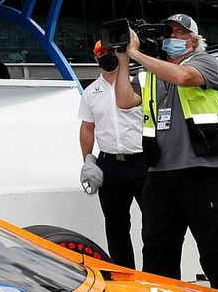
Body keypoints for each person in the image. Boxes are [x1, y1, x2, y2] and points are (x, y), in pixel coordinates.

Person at [113, 14, 218, 292]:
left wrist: (137, 52)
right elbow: (124, 100)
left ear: (194, 41)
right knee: (157, 249)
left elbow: (184, 77)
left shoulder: (204, 63)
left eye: (179, 33)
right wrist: (124, 59)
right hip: (160, 173)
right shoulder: (151, 73)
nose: (171, 37)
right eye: (167, 32)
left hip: (203, 170)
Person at [77, 41, 146, 269]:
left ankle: (156, 275)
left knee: (155, 224)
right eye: (100, 53)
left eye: (110, 52)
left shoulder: (139, 84)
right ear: (95, 57)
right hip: (110, 164)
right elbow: (88, 127)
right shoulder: (90, 92)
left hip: (143, 161)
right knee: (116, 227)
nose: (106, 56)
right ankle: (125, 276)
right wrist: (88, 160)